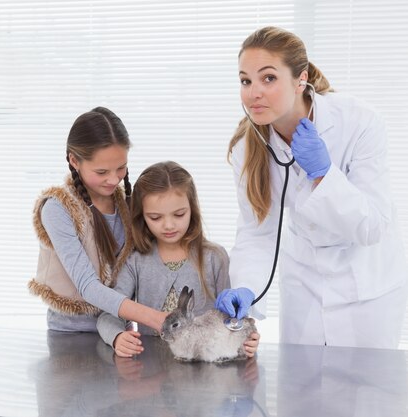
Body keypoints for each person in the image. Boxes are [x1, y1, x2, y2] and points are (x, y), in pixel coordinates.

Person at [215, 26, 408, 348]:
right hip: (305, 283)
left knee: (367, 393)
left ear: (300, 79)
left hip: (366, 283)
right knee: (302, 391)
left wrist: (323, 173)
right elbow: (257, 232)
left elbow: (373, 225)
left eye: (269, 78)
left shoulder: (359, 121)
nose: (254, 93)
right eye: (245, 81)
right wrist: (246, 286)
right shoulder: (246, 149)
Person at [97, 161, 260, 357]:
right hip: (150, 370)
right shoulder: (135, 260)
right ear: (142, 217)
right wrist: (117, 337)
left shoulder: (214, 258)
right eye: (155, 217)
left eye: (179, 214)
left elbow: (233, 318)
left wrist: (247, 339)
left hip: (202, 373)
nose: (168, 225)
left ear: (192, 209)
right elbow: (108, 312)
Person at [28, 107, 169, 332]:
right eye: (102, 172)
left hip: (120, 331)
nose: (114, 179)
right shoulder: (57, 209)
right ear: (74, 160)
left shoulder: (127, 204)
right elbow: (88, 286)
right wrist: (154, 318)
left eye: (121, 168)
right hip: (72, 335)